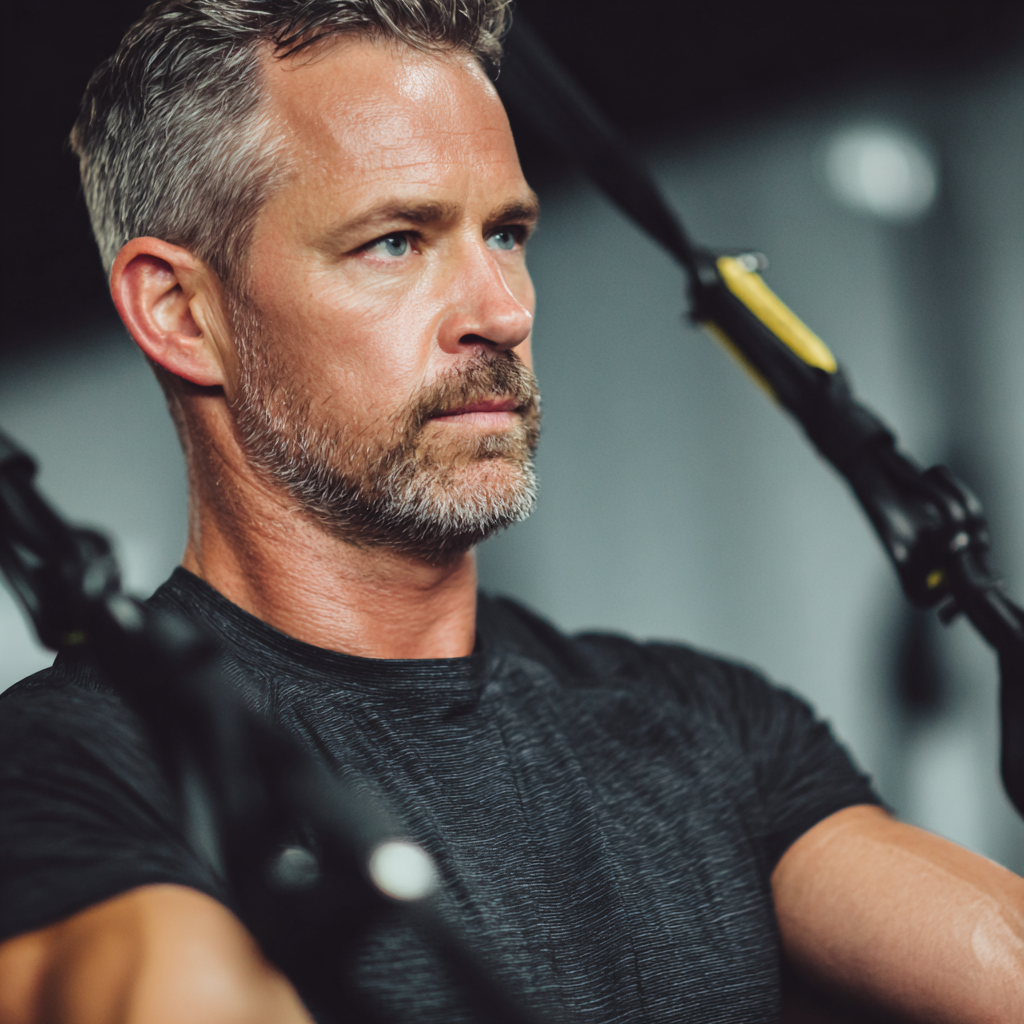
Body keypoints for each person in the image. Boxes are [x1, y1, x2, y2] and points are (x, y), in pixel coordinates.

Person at [0, 1, 1022, 1021]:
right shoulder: (72, 769)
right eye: (396, 241)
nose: (502, 310)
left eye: (507, 231)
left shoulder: (705, 723)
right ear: (182, 313)